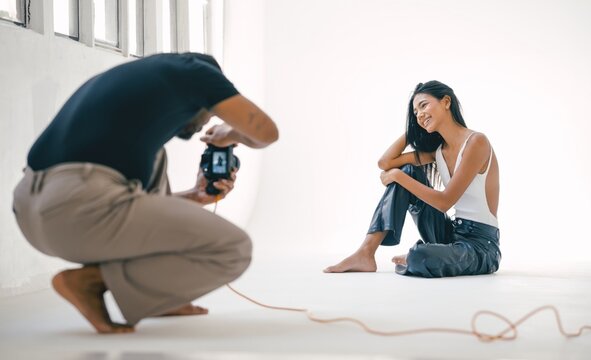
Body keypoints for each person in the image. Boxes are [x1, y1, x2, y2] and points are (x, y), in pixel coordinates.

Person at [12, 53, 278, 333]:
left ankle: (160, 300)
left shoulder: (131, 79)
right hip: (77, 208)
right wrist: (229, 133)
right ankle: (91, 281)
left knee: (156, 155)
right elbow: (266, 133)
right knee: (233, 248)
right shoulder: (196, 72)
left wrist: (193, 197)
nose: (203, 124)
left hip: (33, 211)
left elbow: (129, 205)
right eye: (210, 112)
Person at [325, 81, 500, 277]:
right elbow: (386, 162)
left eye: (424, 105)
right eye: (415, 112)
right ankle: (365, 252)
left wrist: (397, 176)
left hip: (481, 247)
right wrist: (414, 129)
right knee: (408, 170)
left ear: (446, 101)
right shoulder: (438, 152)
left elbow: (444, 202)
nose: (419, 114)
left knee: (420, 256)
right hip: (449, 234)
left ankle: (421, 255)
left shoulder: (477, 142)